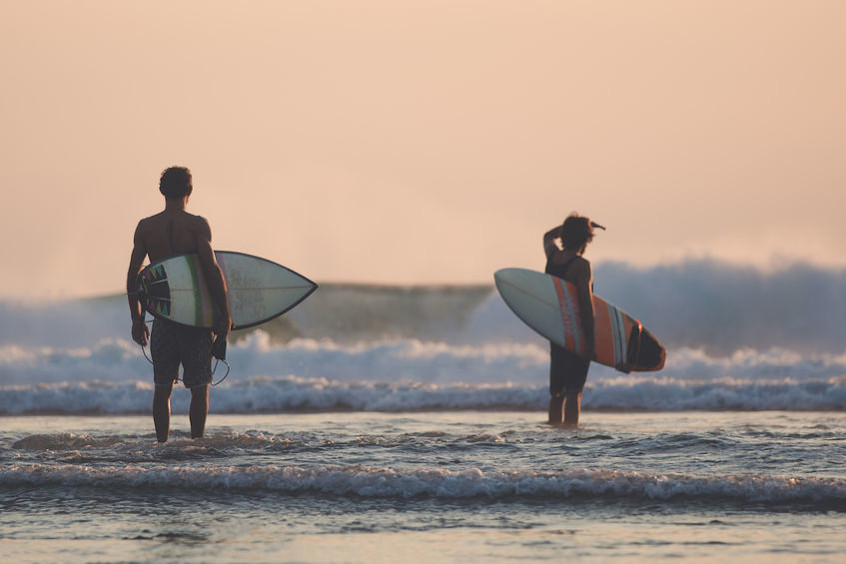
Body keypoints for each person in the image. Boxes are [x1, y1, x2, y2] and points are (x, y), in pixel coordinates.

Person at [126, 166, 232, 443]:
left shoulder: (146, 227)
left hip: (163, 318)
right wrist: (225, 313)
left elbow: (133, 275)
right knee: (199, 388)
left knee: (162, 388)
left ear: (162, 191)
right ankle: (197, 443)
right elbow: (211, 270)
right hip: (195, 320)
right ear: (190, 190)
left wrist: (137, 319)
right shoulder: (197, 225)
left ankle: (162, 444)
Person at [542, 213, 603, 427]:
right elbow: (586, 305)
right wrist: (591, 340)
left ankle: (554, 432)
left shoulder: (552, 257)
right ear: (585, 240)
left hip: (557, 332)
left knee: (557, 393)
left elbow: (548, 236)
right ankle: (570, 435)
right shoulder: (581, 265)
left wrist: (573, 227)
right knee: (574, 392)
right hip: (576, 333)